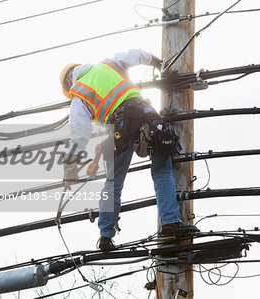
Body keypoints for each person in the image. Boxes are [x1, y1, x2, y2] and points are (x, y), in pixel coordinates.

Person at [60, 49, 199, 251]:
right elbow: (135, 54)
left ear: (68, 84)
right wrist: (158, 64)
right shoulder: (107, 64)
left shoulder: (78, 95)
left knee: (113, 182)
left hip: (119, 128)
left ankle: (106, 235)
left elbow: (79, 133)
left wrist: (71, 164)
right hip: (146, 115)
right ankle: (170, 222)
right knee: (162, 168)